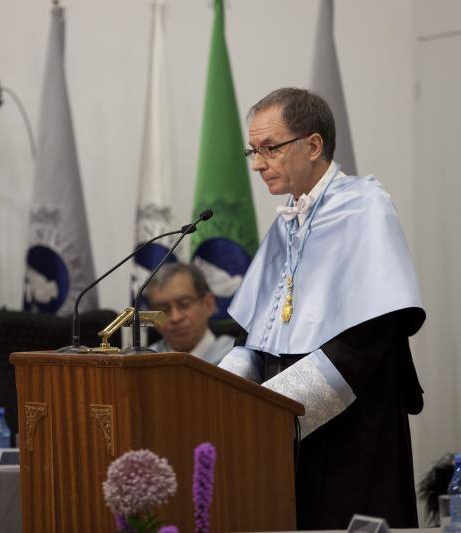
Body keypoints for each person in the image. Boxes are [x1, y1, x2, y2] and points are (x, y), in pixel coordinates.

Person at [217, 88, 425, 529]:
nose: (257, 164)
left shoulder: (364, 206)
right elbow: (257, 330)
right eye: (253, 151)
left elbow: (369, 334)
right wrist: (217, 396)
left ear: (312, 146)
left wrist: (271, 414)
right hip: (286, 426)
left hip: (349, 425)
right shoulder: (289, 217)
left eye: (269, 148)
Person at [145, 263, 234, 364]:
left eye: (184, 304)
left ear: (208, 304)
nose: (175, 318)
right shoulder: (143, 363)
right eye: (163, 310)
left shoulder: (234, 360)